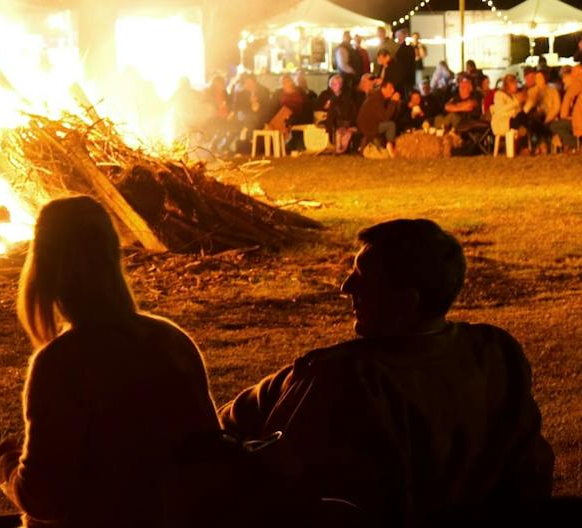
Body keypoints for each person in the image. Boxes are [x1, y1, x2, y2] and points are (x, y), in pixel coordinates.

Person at [0, 197, 222, 528]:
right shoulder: (171, 339)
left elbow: (42, 500)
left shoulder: (63, 363)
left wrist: (6, 467)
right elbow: (209, 456)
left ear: (45, 270)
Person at [219, 219, 553, 526]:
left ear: (406, 301)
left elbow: (279, 476)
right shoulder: (494, 351)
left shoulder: (344, 376)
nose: (345, 287)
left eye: (363, 278)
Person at [315, 74, 359, 153]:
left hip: (345, 122)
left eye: (337, 83)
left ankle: (341, 149)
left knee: (345, 133)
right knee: (339, 132)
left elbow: (350, 111)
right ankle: (338, 148)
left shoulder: (347, 96)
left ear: (341, 85)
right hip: (329, 121)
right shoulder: (325, 95)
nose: (334, 86)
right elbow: (319, 108)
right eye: (332, 84)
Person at [356, 78, 401, 154]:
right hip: (369, 126)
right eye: (390, 88)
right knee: (390, 125)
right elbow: (385, 117)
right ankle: (390, 148)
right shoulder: (376, 100)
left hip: (372, 124)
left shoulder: (379, 98)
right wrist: (394, 102)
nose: (393, 91)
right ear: (383, 89)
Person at [383, 28, 417, 100]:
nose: (397, 38)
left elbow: (403, 64)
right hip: (407, 78)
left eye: (398, 36)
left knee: (404, 97)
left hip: (404, 78)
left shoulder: (405, 49)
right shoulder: (407, 48)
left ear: (403, 36)